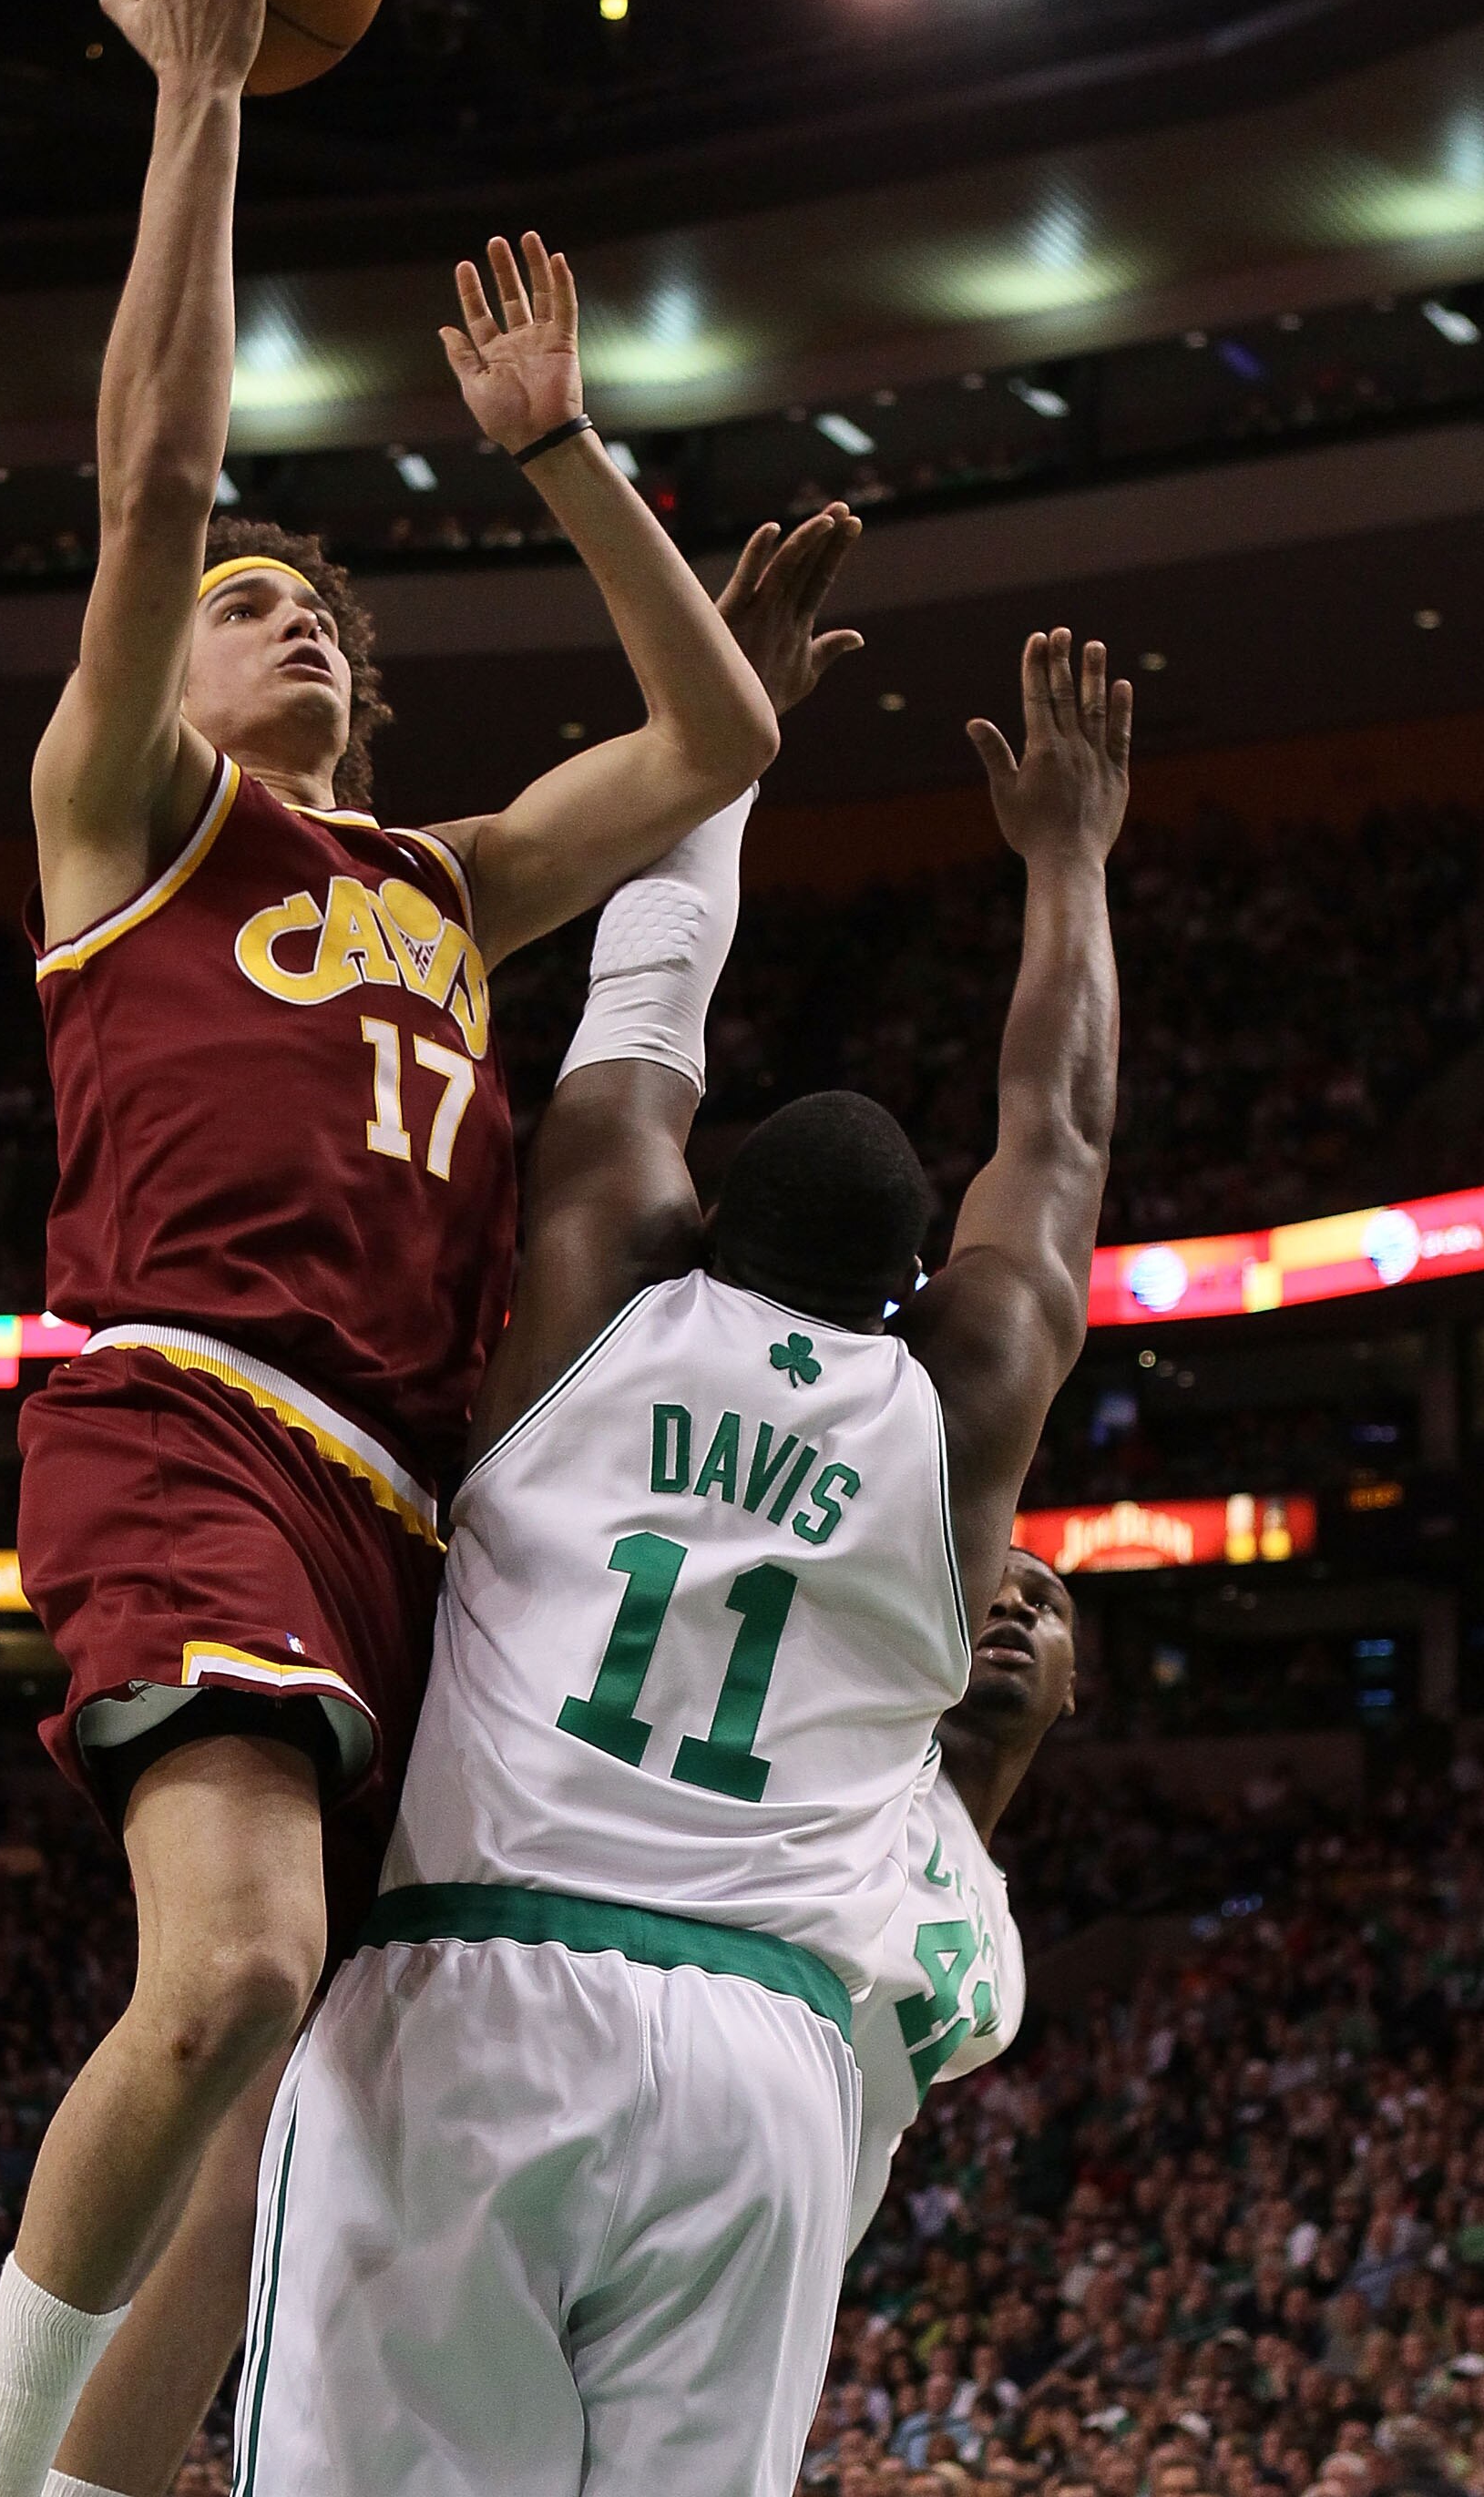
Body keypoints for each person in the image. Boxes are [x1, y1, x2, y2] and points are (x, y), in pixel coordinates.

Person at [0, 0, 845, 2497]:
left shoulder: (443, 885)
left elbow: (712, 753)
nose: (285, 612)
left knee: (299, 2077)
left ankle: (107, 2479)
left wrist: (566, 458)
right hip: (187, 1410)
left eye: (322, 601)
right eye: (248, 601)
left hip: (406, 1512)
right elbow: (149, 472)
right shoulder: (135, 824)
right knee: (225, 1977)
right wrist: (200, 101)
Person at [232, 625, 1131, 2496]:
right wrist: (1070, 862)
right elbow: (1055, 1134)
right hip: (763, 2057)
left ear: (698, 1218)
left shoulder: (593, 1295)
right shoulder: (955, 1414)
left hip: (477, 1992)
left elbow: (650, 992)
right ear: (915, 1299)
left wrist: (724, 744)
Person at [847, 1542, 1078, 2260]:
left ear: (1073, 1685)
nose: (1012, 1606)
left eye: (1043, 1603)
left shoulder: (1003, 1957)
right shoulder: (874, 1762)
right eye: (987, 1591)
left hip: (783, 2268)